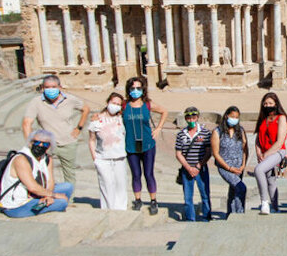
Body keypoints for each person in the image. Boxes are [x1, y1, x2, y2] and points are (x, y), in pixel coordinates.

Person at [22, 75, 90, 195]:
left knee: (69, 174)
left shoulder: (70, 99)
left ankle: (69, 198)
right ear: (43, 88)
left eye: (53, 87)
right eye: (47, 87)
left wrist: (79, 127)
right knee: (42, 172)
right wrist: (31, 144)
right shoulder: (36, 102)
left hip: (68, 142)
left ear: (59, 87)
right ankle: (43, 195)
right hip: (46, 144)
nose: (50, 89)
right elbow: (27, 123)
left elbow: (85, 109)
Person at [0, 130, 73, 218]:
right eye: (37, 142)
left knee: (68, 186)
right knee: (62, 202)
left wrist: (48, 196)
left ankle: (46, 202)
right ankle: (48, 205)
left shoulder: (47, 159)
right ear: (30, 143)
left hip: (36, 195)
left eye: (45, 144)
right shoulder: (21, 159)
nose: (40, 146)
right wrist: (54, 195)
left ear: (49, 146)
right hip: (18, 205)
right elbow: (32, 187)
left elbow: (50, 181)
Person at [123, 77, 167, 215]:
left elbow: (164, 111)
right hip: (131, 144)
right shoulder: (124, 105)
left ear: (143, 90)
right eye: (133, 88)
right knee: (136, 174)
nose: (135, 91)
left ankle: (153, 200)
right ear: (129, 90)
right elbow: (109, 112)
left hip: (147, 143)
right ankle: (138, 199)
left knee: (149, 173)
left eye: (138, 88)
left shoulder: (148, 104)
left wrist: (159, 128)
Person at [87, 92, 128, 210]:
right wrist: (95, 158)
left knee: (121, 185)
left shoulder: (120, 118)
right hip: (103, 157)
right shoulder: (97, 119)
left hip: (119, 156)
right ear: (108, 102)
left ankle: (121, 210)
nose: (115, 105)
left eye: (118, 104)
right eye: (113, 103)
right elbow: (92, 140)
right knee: (107, 184)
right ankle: (108, 209)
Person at [254, 92, 287, 215]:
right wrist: (258, 152)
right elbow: (258, 138)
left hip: (278, 152)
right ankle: (275, 207)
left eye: (270, 103)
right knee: (271, 179)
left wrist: (266, 155)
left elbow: (280, 142)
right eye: (265, 103)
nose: (267, 105)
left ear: (275, 104)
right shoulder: (263, 118)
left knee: (258, 170)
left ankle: (264, 202)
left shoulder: (281, 118)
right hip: (265, 153)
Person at [175, 106, 213, 221]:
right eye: (189, 118)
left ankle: (206, 217)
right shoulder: (181, 134)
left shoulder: (205, 133)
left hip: (201, 168)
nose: (191, 120)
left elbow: (208, 152)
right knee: (187, 197)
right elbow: (178, 153)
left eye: (193, 118)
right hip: (187, 170)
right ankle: (190, 219)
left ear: (197, 118)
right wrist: (188, 168)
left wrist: (198, 166)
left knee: (205, 195)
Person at [212, 106, 248, 215]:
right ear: (227, 115)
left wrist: (243, 165)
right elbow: (216, 153)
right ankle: (239, 214)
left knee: (233, 192)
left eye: (237, 117)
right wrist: (228, 168)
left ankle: (230, 214)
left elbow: (245, 148)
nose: (234, 119)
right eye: (232, 116)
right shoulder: (217, 131)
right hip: (225, 167)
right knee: (241, 187)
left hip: (238, 167)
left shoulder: (240, 130)